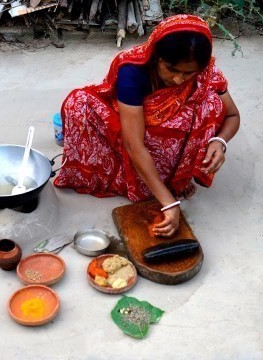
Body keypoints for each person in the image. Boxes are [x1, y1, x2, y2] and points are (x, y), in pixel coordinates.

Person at [53, 15, 240, 237]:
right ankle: (153, 182)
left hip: (167, 143)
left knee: (209, 104)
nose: (179, 79)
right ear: (157, 57)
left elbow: (233, 115)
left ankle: (175, 178)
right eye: (172, 69)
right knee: (79, 104)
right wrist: (169, 204)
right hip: (130, 134)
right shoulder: (133, 72)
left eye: (188, 73)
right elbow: (134, 144)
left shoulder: (207, 75)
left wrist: (220, 142)